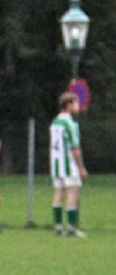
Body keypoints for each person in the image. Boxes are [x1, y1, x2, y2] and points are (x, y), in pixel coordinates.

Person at [50, 93, 89, 238]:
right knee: (72, 193)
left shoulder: (55, 122)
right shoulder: (70, 124)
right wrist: (81, 168)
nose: (78, 106)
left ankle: (58, 226)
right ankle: (72, 228)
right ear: (68, 105)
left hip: (56, 164)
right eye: (76, 103)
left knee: (58, 193)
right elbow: (75, 148)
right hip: (69, 164)